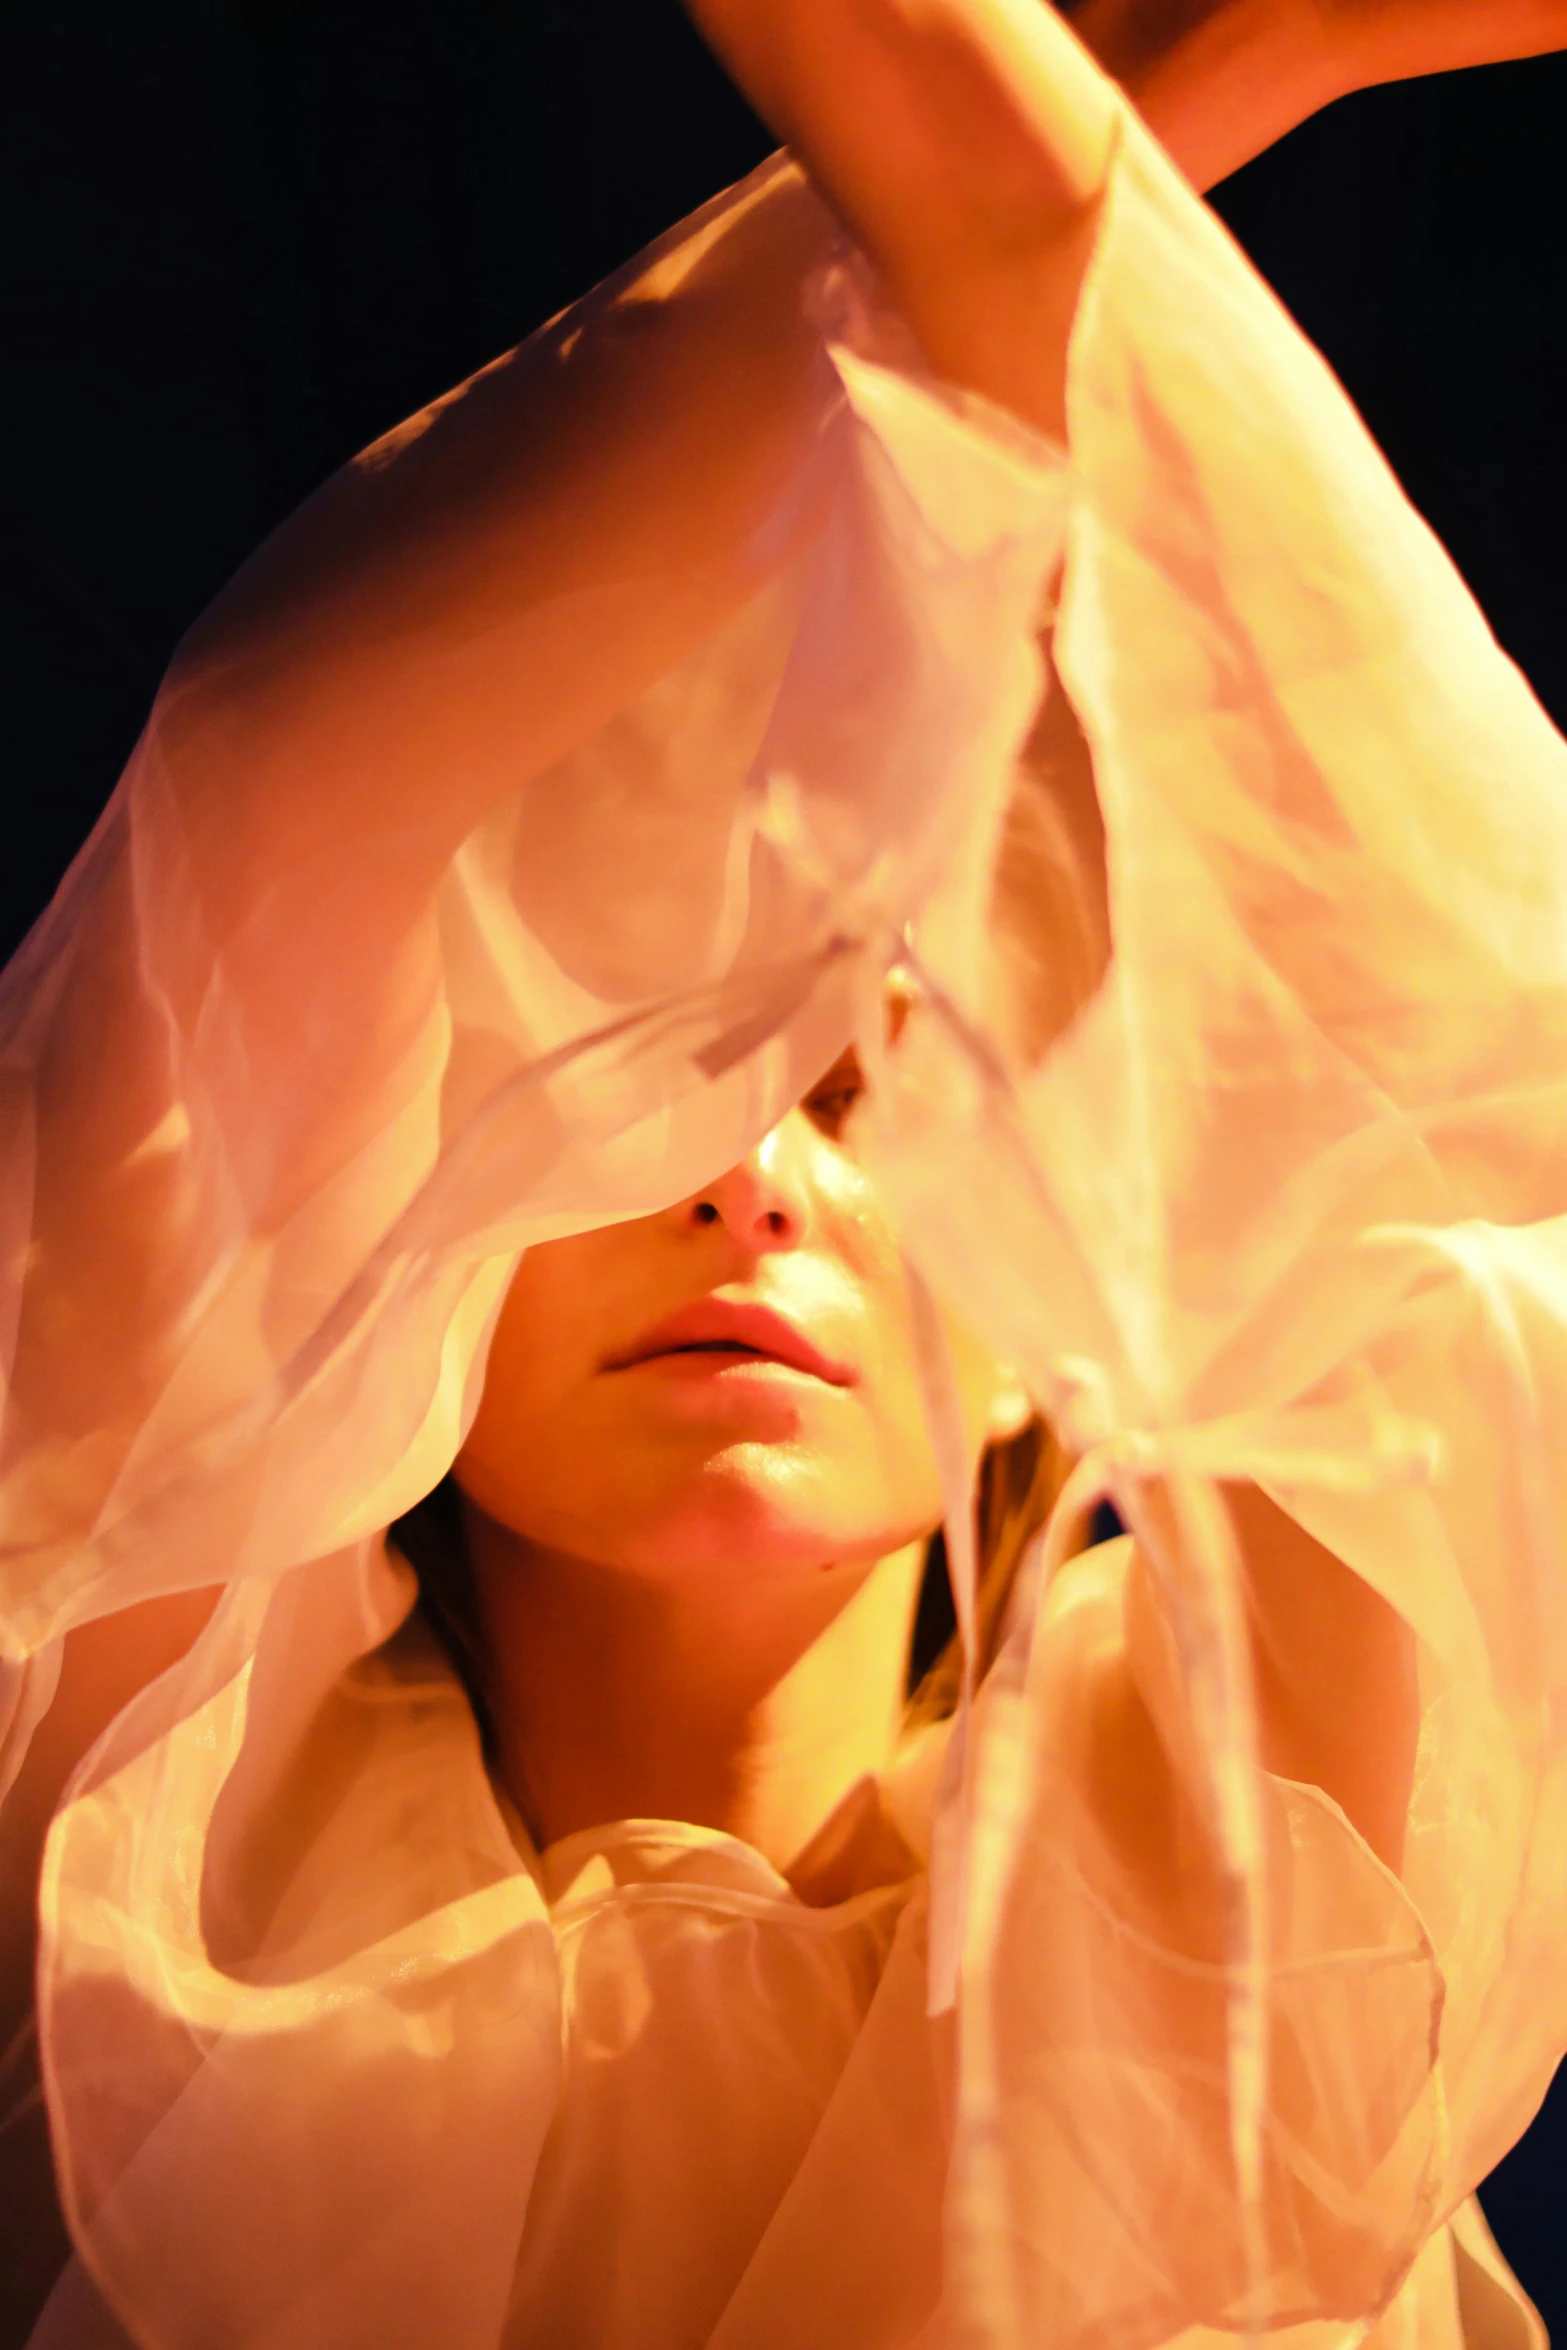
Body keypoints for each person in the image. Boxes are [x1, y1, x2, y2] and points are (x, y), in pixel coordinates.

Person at [4, 0, 1567, 2343]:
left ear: (1080, 1317)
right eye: (616, 1096)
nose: (744, 1175)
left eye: (872, 1099)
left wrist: (1077, 127)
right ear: (396, 1248)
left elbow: (1413, 1046)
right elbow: (262, 841)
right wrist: (1118, 102)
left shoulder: (1279, 1858)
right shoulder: (140, 1853)